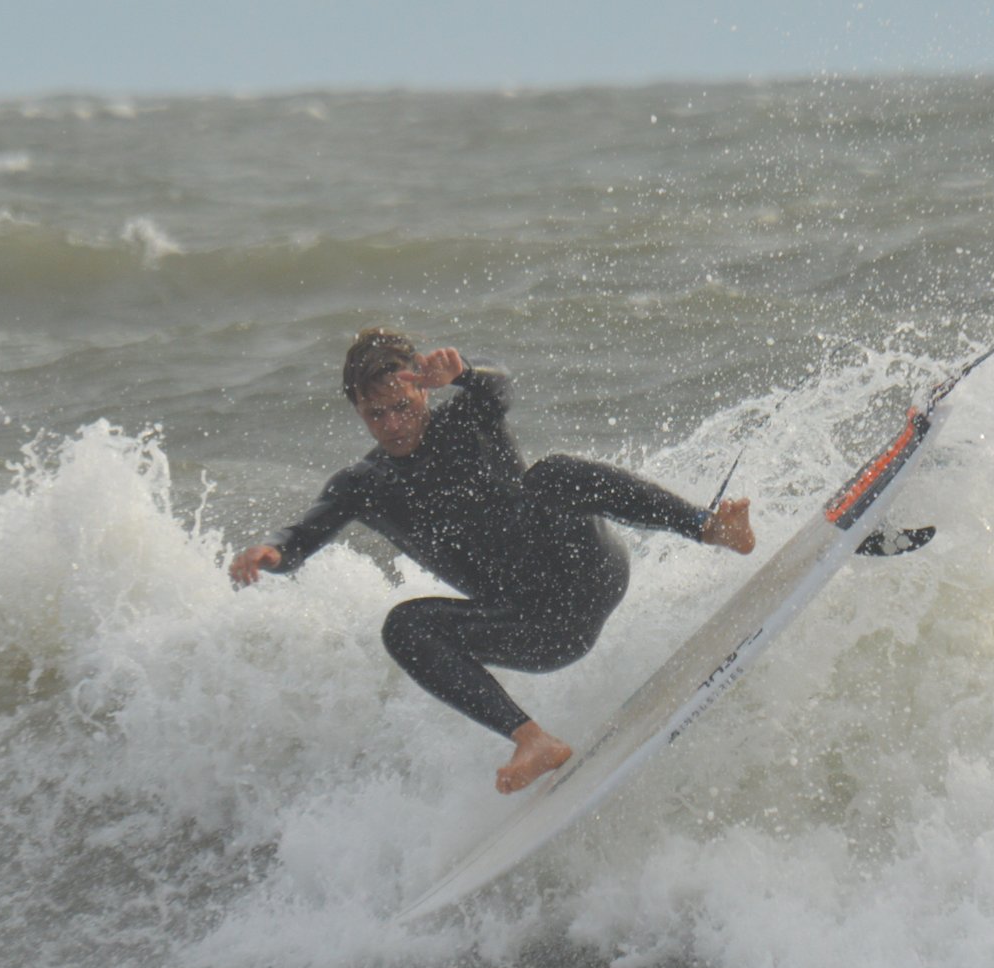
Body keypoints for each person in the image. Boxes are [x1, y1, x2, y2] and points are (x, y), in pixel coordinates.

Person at [230, 328, 754, 793]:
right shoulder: (364, 486)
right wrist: (271, 553)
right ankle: (533, 741)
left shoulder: (467, 418)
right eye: (376, 414)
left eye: (402, 406)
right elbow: (301, 537)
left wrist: (465, 374)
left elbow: (497, 385)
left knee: (550, 475)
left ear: (421, 390)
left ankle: (711, 527)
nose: (392, 424)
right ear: (358, 412)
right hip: (536, 630)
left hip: (587, 571)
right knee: (405, 627)